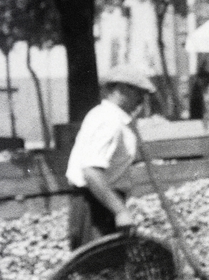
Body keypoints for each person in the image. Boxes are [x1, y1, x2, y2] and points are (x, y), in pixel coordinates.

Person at [64, 66, 156, 250]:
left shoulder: (115, 119)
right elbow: (91, 171)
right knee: (99, 271)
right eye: (138, 92)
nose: (142, 100)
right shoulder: (108, 120)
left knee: (110, 270)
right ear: (120, 89)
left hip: (102, 203)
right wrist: (120, 211)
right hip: (95, 207)